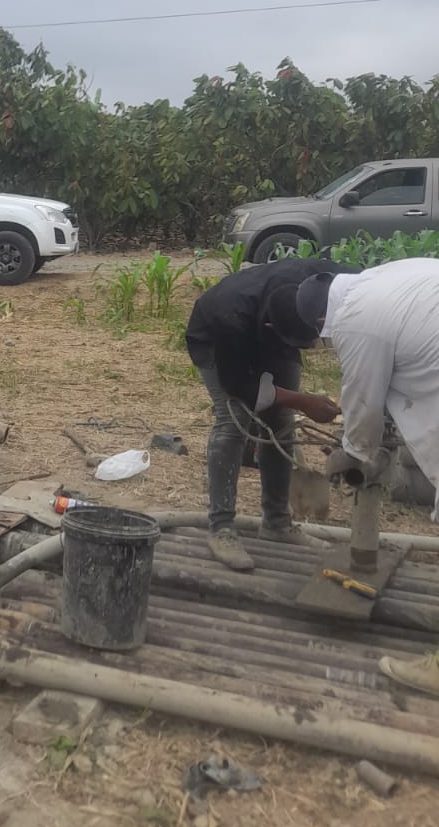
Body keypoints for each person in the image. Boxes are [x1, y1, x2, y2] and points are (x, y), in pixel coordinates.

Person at [294, 259, 439, 697]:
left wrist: (351, 454)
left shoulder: (356, 320)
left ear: (321, 321)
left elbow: (362, 402)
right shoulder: (377, 279)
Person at [185, 258, 347, 571]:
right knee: (233, 422)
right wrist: (303, 401)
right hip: (217, 341)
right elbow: (238, 385)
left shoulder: (320, 281)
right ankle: (221, 528)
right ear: (274, 328)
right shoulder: (229, 319)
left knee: (281, 421)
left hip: (273, 331)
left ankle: (276, 522)